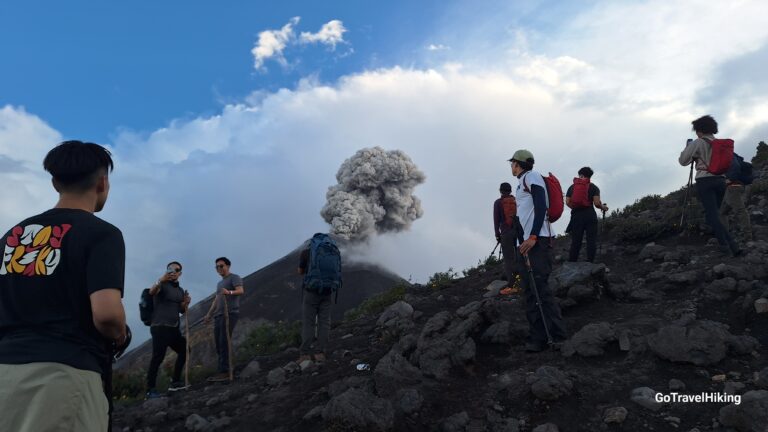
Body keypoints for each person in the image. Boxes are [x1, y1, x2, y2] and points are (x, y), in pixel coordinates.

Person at [0, 140, 129, 432]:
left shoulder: (12, 236)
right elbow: (107, 314)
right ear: (102, 182)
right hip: (64, 377)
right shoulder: (101, 234)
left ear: (55, 182)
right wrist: (120, 335)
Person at [508, 149, 568, 352]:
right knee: (530, 291)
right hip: (528, 244)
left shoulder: (532, 177)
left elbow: (541, 205)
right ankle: (538, 337)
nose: (511, 167)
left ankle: (558, 336)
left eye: (513, 163)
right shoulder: (522, 182)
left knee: (540, 289)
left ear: (518, 164)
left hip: (538, 242)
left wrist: (533, 236)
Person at [679, 115, 741, 257]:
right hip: (720, 180)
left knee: (712, 217)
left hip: (705, 180)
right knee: (715, 216)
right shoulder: (720, 143)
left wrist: (688, 148)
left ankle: (729, 246)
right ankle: (728, 245)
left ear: (700, 130)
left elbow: (682, 161)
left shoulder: (697, 143)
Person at [145, 261, 191, 398]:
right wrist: (160, 280)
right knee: (158, 358)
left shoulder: (180, 290)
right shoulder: (162, 285)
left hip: (173, 328)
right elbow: (151, 292)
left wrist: (185, 303)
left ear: (180, 273)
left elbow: (181, 310)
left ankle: (175, 382)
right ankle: (150, 390)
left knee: (185, 350)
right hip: (159, 327)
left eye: (176, 269)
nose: (173, 271)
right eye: (170, 269)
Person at [297, 233, 341, 363]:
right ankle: (320, 352)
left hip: (311, 292)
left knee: (309, 322)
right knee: (324, 322)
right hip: (328, 292)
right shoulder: (334, 252)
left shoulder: (306, 253)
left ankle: (304, 353)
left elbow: (300, 271)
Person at [204, 257, 243, 381]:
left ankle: (225, 371)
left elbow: (241, 290)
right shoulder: (219, 283)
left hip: (230, 313)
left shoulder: (234, 277)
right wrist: (209, 314)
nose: (219, 269)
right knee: (218, 343)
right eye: (217, 267)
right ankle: (225, 368)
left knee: (224, 341)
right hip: (219, 315)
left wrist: (229, 293)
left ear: (228, 266)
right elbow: (217, 299)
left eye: (221, 266)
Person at [565, 167, 609, 262]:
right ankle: (590, 262)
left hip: (576, 216)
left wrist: (576, 208)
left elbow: (567, 202)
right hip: (590, 215)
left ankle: (572, 262)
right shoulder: (594, 187)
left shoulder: (572, 187)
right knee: (591, 240)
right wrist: (603, 207)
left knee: (576, 241)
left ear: (580, 175)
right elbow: (597, 203)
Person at [493, 182, 521, 294]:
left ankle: (511, 285)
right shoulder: (515, 201)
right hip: (518, 231)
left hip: (506, 232)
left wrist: (497, 234)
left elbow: (496, 220)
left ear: (500, 191)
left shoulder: (498, 203)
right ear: (510, 191)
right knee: (520, 256)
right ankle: (522, 280)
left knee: (508, 259)